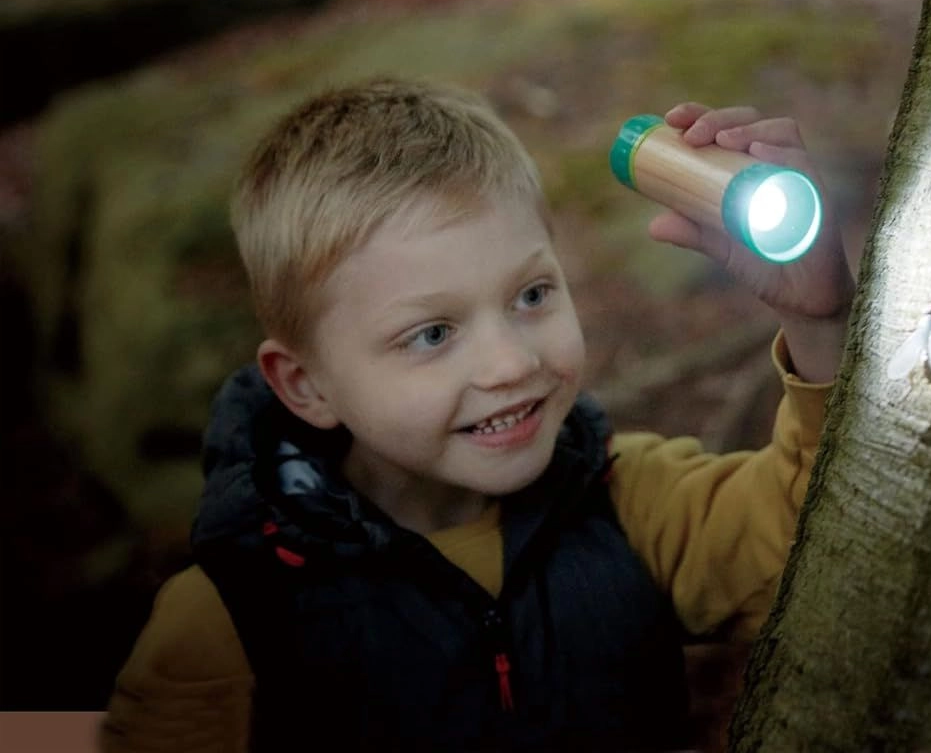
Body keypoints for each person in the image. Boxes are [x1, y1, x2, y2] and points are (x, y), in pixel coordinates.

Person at [99, 77, 854, 752]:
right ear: (306, 386)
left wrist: (821, 323)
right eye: (431, 334)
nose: (511, 364)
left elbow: (822, 544)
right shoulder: (228, 625)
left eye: (531, 295)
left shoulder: (632, 504)